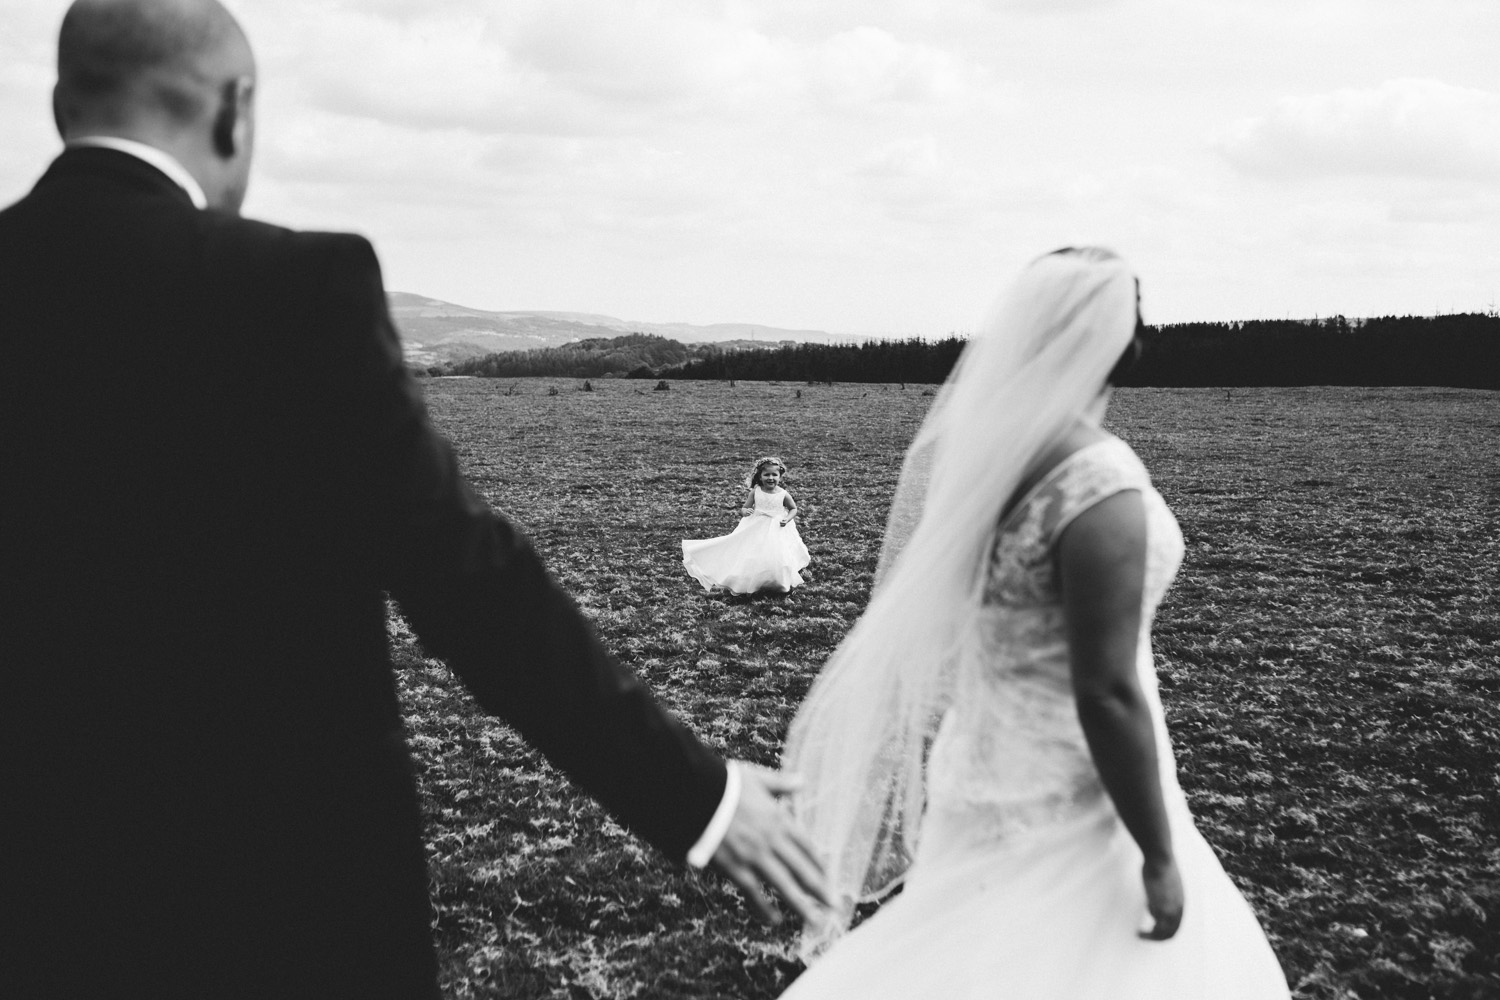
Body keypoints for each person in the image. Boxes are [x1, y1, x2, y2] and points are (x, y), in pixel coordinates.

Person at [0, 2, 829, 997]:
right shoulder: (296, 290)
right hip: (282, 906)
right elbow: (471, 584)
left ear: (59, 107)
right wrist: (702, 798)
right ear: (237, 113)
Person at [777, 248, 1290, 998]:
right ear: (1117, 343)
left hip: (979, 765)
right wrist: (1156, 852)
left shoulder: (992, 459)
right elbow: (1106, 691)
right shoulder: (1098, 481)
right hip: (1071, 792)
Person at [682, 455, 811, 595]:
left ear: (780, 476)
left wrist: (787, 518)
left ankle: (779, 582)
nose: (770, 478)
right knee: (753, 552)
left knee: (778, 553)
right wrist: (746, 511)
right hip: (756, 525)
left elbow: (793, 509)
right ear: (760, 476)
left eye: (774, 475)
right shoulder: (756, 492)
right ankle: (752, 579)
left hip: (777, 527)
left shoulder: (783, 494)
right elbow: (744, 508)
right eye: (766, 474)